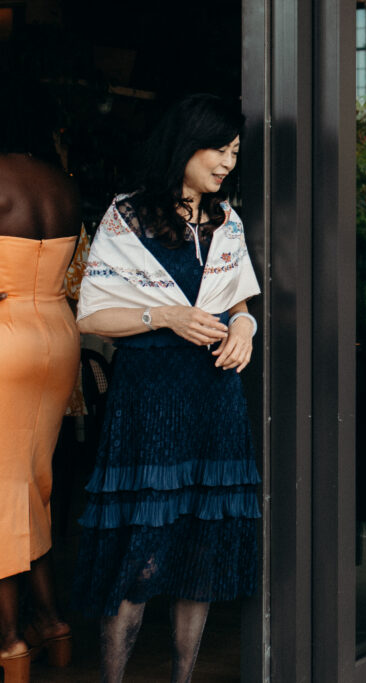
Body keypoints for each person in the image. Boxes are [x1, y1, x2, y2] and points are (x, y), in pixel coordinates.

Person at [74, 94, 261, 683]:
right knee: (142, 547)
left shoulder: (224, 220)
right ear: (187, 144)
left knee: (202, 548)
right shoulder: (126, 216)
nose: (227, 162)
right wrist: (165, 317)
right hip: (150, 398)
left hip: (214, 398)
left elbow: (239, 300)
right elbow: (93, 316)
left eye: (234, 153)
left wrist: (247, 327)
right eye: (219, 149)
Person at [0, 101, 81, 683]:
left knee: (3, 495)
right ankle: (52, 626)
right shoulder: (62, 183)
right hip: (59, 333)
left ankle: (9, 644)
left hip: (7, 338)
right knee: (33, 485)